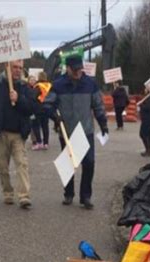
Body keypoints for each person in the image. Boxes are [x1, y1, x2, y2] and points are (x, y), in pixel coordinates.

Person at [45, 55, 108, 209]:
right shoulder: (58, 85)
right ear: (67, 69)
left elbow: (98, 105)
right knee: (67, 165)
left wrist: (103, 124)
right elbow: (48, 104)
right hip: (66, 131)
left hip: (85, 130)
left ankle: (86, 196)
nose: (78, 73)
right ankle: (68, 193)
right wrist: (54, 117)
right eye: (75, 70)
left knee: (89, 163)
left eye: (80, 69)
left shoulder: (90, 84)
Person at [0, 60, 35, 209]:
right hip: (0, 133)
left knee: (22, 164)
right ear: (7, 67)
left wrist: (19, 99)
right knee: (2, 166)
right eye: (15, 67)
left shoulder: (24, 87)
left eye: (20, 68)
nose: (18, 71)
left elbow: (32, 108)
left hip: (18, 134)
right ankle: (8, 193)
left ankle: (24, 196)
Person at [34, 71, 52, 149]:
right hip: (47, 107)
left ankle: (39, 142)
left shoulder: (38, 86)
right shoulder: (49, 85)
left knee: (36, 125)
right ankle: (46, 143)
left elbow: (34, 97)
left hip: (38, 108)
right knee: (45, 126)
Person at [139, 89, 150, 157]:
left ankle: (148, 149)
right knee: (148, 134)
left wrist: (141, 105)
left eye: (145, 88)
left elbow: (148, 107)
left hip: (148, 118)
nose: (144, 89)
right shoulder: (146, 97)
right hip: (146, 118)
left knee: (143, 134)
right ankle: (148, 149)